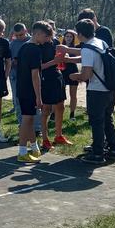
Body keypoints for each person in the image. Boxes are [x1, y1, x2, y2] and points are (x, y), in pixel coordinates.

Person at [69, 18, 115, 164]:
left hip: (97, 89)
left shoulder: (86, 48)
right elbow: (90, 58)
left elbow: (86, 75)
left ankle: (98, 153)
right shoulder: (99, 42)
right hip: (108, 87)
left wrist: (75, 76)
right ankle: (114, 148)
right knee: (107, 118)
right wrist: (69, 59)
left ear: (79, 34)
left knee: (96, 122)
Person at [16, 22, 52, 162]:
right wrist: (39, 96)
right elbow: (35, 75)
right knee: (27, 120)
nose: (47, 39)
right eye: (45, 36)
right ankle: (22, 151)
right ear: (37, 34)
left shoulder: (24, 47)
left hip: (22, 88)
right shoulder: (35, 50)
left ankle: (34, 148)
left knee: (29, 119)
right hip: (29, 89)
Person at [39, 20, 72, 150]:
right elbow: (38, 67)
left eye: (52, 30)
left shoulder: (56, 43)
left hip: (58, 76)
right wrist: (54, 61)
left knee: (60, 106)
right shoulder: (38, 45)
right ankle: (45, 139)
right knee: (46, 109)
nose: (51, 34)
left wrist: (65, 56)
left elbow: (62, 57)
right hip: (45, 78)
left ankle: (59, 135)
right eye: (48, 32)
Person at [9, 24, 31, 125]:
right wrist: (12, 62)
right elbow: (7, 60)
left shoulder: (31, 41)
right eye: (16, 35)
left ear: (26, 30)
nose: (19, 37)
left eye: (21, 35)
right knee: (17, 100)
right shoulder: (12, 44)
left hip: (30, 75)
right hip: (15, 75)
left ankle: (35, 126)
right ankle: (21, 122)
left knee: (31, 100)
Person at [61, 30, 80, 121]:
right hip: (62, 71)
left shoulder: (76, 47)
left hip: (72, 71)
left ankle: (72, 114)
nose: (68, 38)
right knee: (60, 94)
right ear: (64, 37)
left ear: (73, 38)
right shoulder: (60, 47)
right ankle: (55, 113)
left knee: (73, 94)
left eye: (70, 37)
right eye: (67, 36)